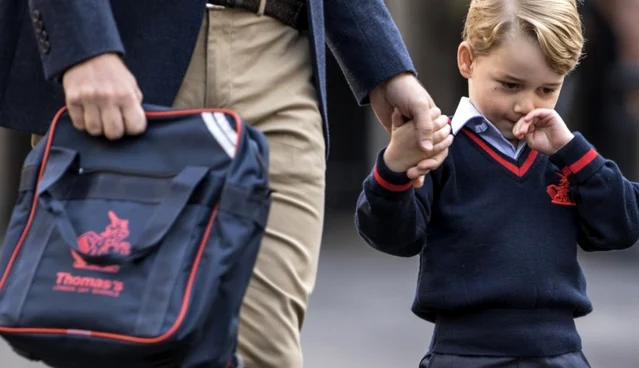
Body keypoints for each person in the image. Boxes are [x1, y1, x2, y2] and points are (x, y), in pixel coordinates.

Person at [0, 0, 451, 367]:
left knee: (262, 351)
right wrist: (84, 43)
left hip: (276, 59)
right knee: (113, 343)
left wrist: (385, 66)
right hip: (125, 60)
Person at [354, 0, 639, 367]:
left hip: (559, 355)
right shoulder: (440, 148)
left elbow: (626, 226)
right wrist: (394, 167)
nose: (526, 105)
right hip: (464, 354)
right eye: (510, 85)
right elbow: (392, 235)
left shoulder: (566, 156)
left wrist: (573, 152)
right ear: (467, 60)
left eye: (547, 90)